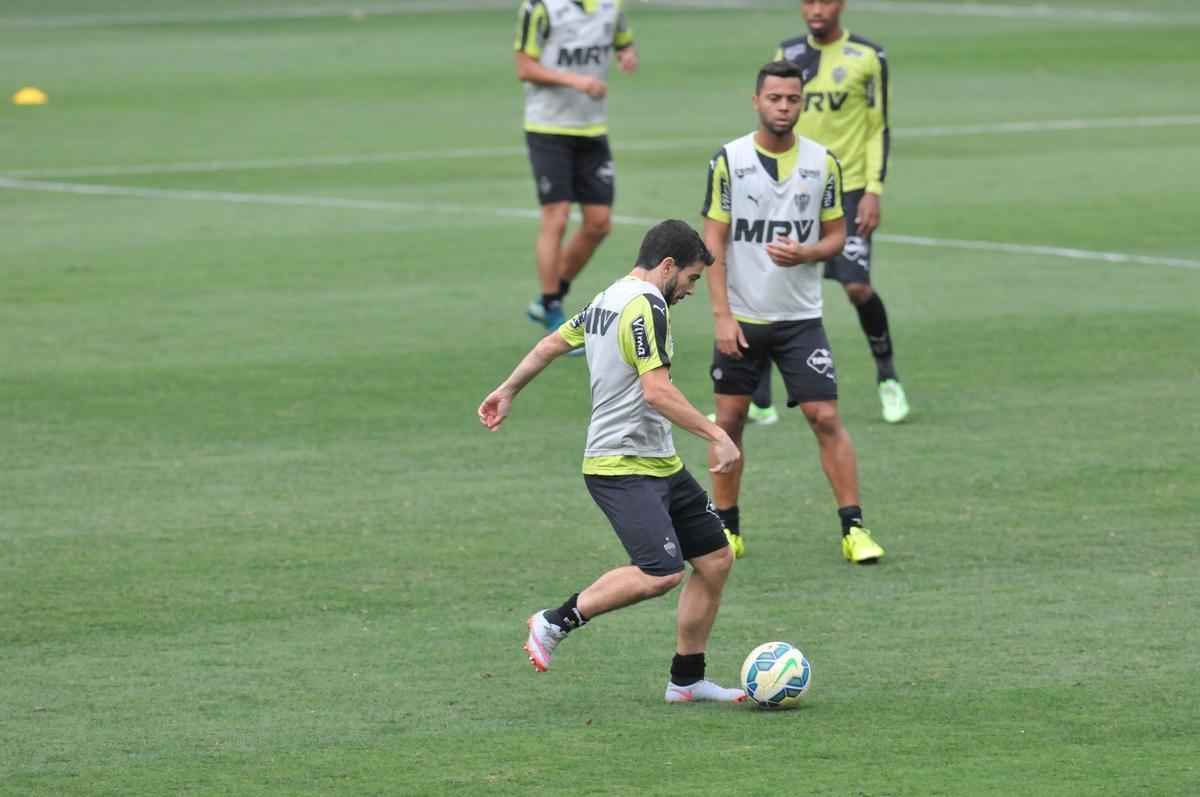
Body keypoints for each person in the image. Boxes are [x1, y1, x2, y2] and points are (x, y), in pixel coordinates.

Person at [479, 220, 747, 703]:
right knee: (660, 572)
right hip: (619, 465)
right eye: (689, 278)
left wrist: (507, 389)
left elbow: (550, 345)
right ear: (667, 267)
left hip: (658, 461)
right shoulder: (646, 305)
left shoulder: (607, 298)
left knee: (715, 559)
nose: (688, 290)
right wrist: (716, 434)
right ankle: (554, 621)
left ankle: (686, 679)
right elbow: (657, 390)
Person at [701, 61, 885, 565]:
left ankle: (854, 529)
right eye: (775, 98)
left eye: (792, 99)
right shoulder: (729, 160)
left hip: (800, 319)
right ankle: (726, 528)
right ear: (757, 101)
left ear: (802, 104)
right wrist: (722, 315)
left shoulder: (822, 162)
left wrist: (809, 253)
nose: (784, 107)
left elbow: (837, 235)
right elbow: (712, 239)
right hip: (742, 315)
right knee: (730, 420)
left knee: (824, 416)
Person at [751, 0, 910, 424]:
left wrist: (874, 190)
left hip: (851, 188)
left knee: (857, 287)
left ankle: (887, 377)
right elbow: (774, 121)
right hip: (796, 188)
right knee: (770, 285)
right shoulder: (786, 55)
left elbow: (879, 126)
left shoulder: (868, 56)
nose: (815, 9)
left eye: (824, 1)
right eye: (808, 2)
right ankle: (760, 399)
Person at [513, 0, 639, 333]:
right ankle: (553, 305)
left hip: (592, 129)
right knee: (557, 215)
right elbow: (525, 67)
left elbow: (623, 40)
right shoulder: (540, 8)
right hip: (547, 128)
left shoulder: (611, 6)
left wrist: (627, 54)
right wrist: (575, 81)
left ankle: (549, 298)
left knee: (599, 224)